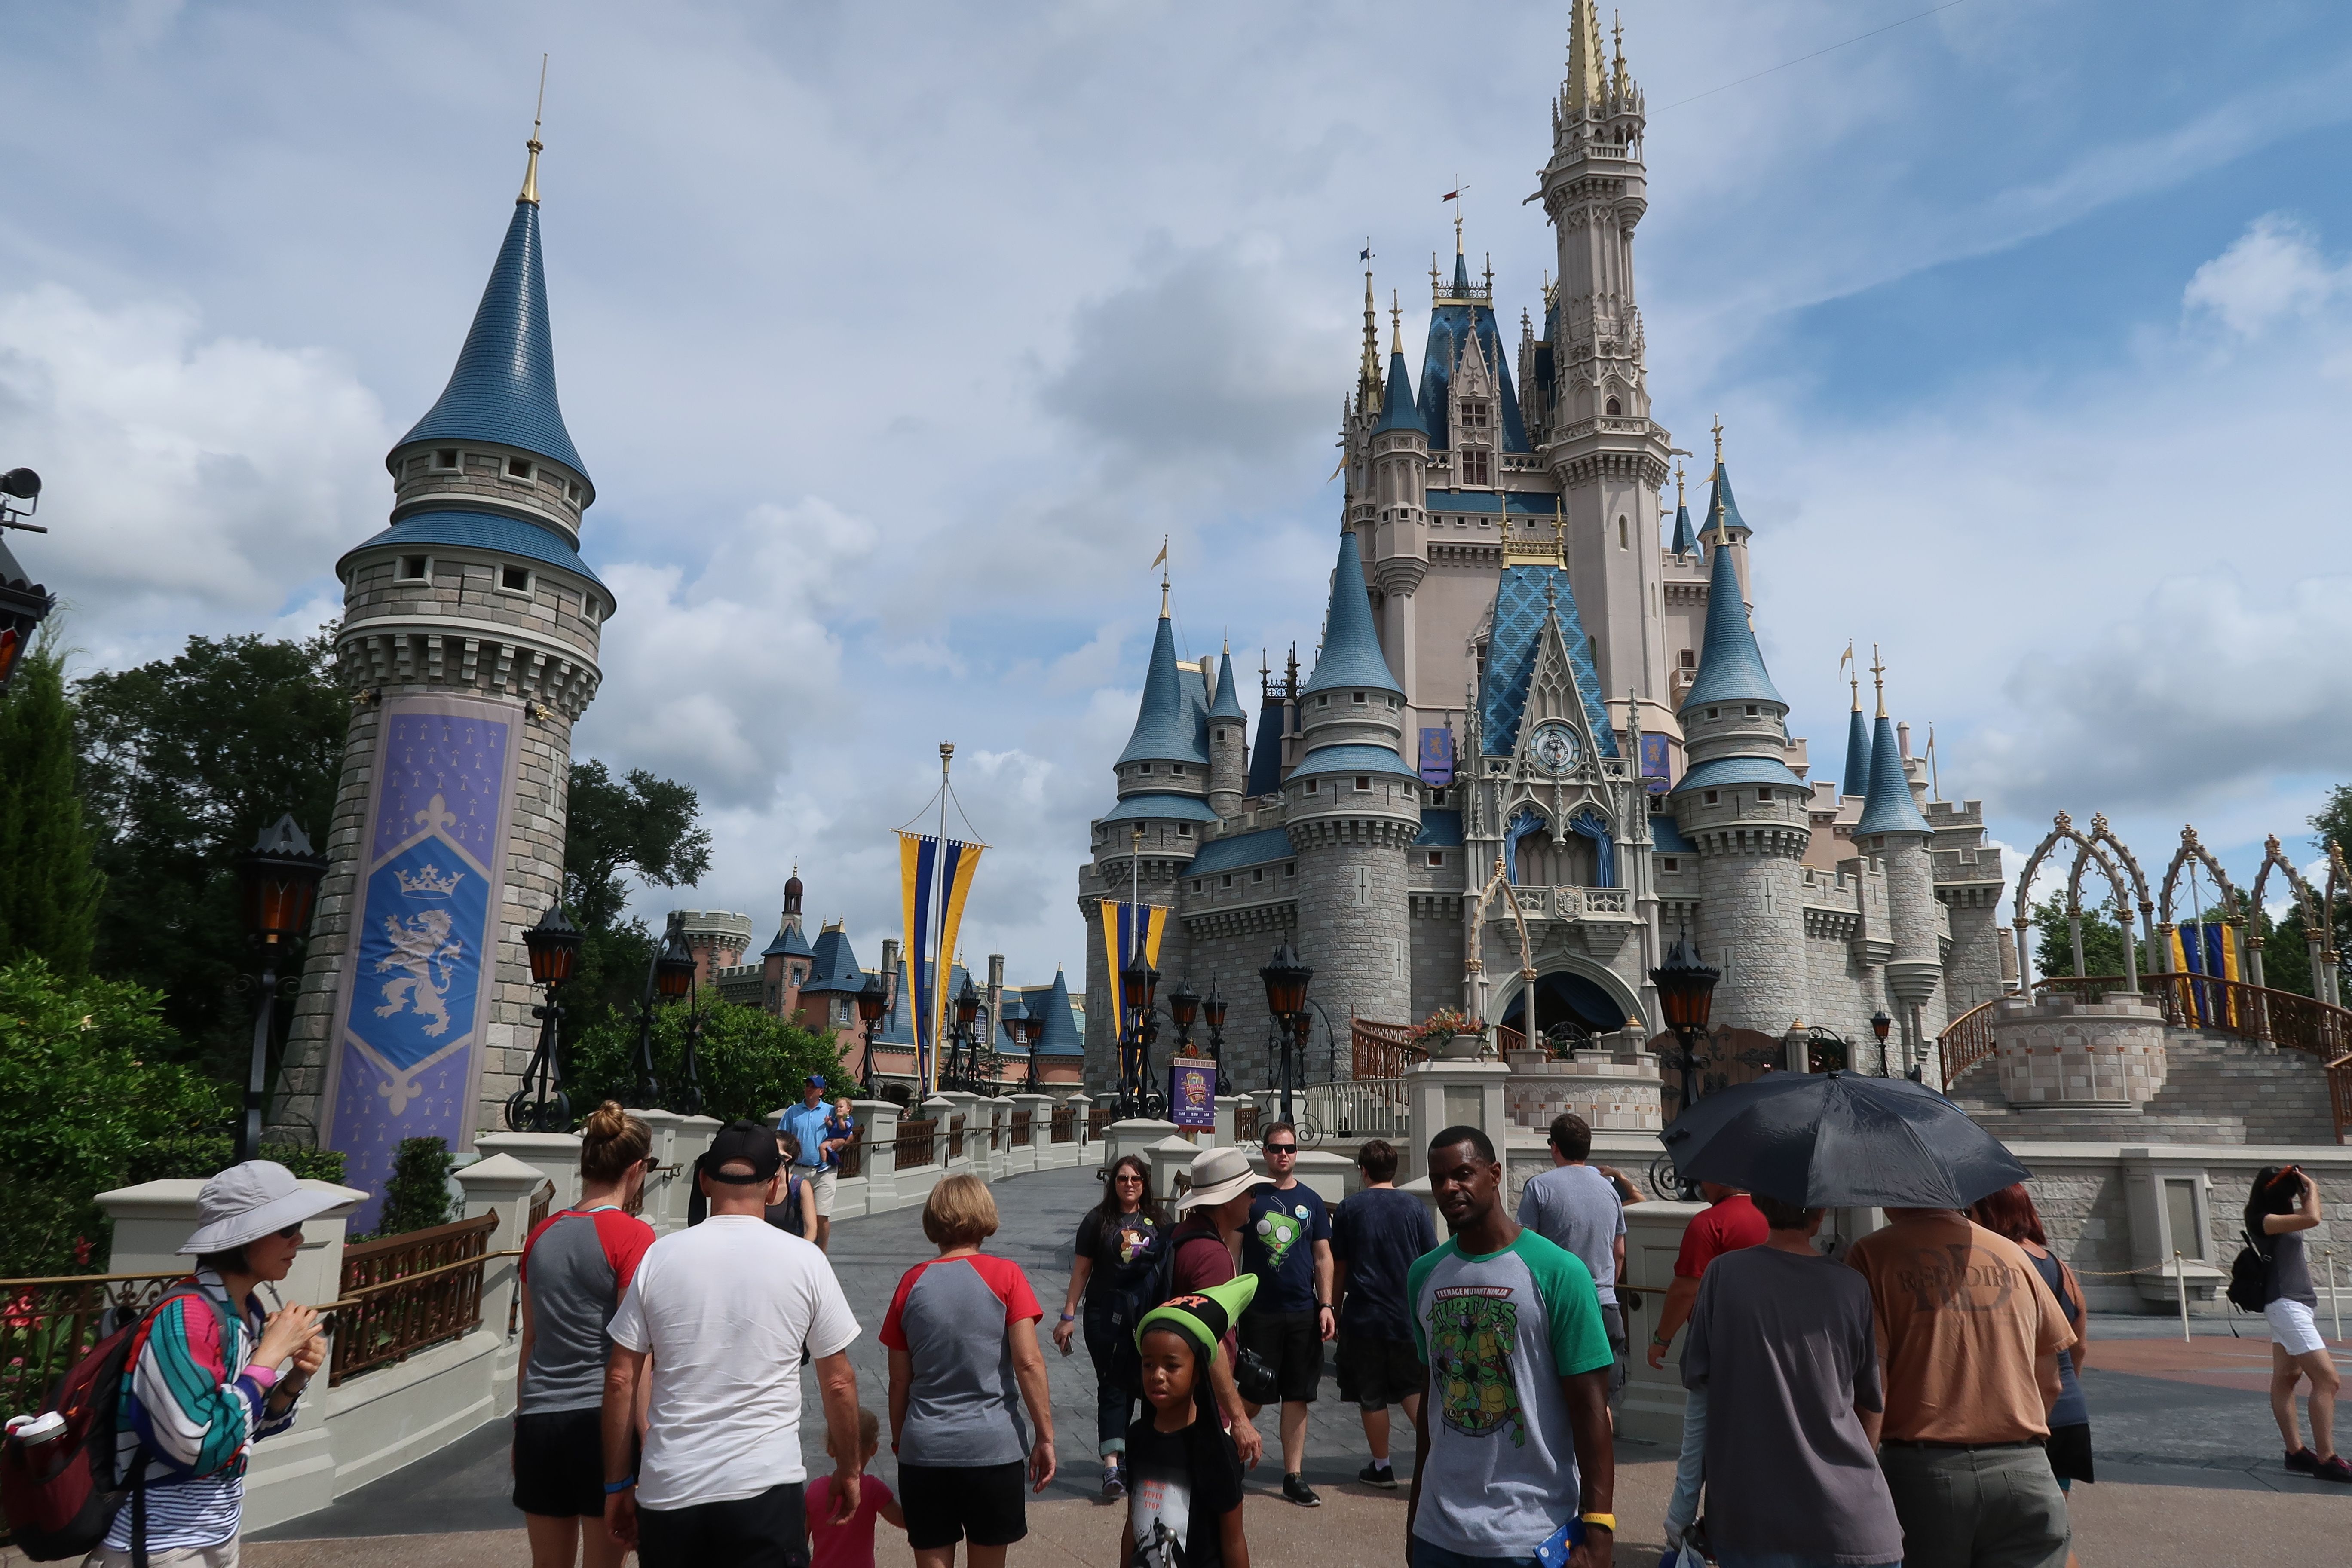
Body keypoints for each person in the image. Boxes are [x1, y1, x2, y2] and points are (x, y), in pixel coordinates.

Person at [603, 1119, 864, 1568]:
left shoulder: (659, 1257)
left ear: (705, 1181)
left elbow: (621, 1377)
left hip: (672, 1489)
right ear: (772, 1186)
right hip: (764, 1487)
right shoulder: (806, 1261)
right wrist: (849, 1469)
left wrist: (617, 1483)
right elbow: (838, 1382)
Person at [91, 1160, 334, 1568]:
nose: (300, 1239)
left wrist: (293, 1379)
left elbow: (243, 1428)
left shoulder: (248, 1311)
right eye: (288, 1228)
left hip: (215, 1532)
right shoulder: (186, 1316)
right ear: (246, 1237)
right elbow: (195, 1444)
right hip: (157, 1544)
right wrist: (268, 1359)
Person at [1407, 1126, 1617, 1568]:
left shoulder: (1560, 1273)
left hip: (1530, 1535)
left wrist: (1599, 1530)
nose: (1450, 1188)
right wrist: (1415, 1518)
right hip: (1438, 1533)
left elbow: (1591, 1409)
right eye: (1438, 1179)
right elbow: (1433, 1399)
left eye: (1463, 1174)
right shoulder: (1424, 1274)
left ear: (1495, 1174)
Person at [1846, 1204, 2078, 1568]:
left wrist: (1858, 1477)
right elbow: (2051, 1382)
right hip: (2025, 1468)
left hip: (1924, 1475)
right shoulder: (2013, 1255)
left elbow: (1874, 1388)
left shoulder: (1871, 1254)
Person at [1679, 1191, 1902, 1568]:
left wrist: (1682, 1505)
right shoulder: (1852, 1286)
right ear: (1821, 1212)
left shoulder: (1724, 1274)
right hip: (1855, 1521)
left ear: (1761, 1206)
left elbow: (1700, 1386)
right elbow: (1868, 1397)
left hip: (1751, 1518)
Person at [879, 1173, 1058, 1567]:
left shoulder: (912, 1282)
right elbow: (1029, 1363)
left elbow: (898, 1381)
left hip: (925, 1449)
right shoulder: (1007, 1276)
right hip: (993, 1450)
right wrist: (1045, 1437)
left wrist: (899, 1440)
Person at [515, 1102, 657, 1568]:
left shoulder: (541, 1234)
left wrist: (521, 1425)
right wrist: (647, 1437)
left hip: (540, 1420)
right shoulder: (633, 1237)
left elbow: (530, 1341)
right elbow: (632, 1359)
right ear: (636, 1169)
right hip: (601, 1424)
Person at [1051, 1154, 1167, 1498]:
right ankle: (1113, 1467)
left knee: (1151, 1387)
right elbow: (1082, 1271)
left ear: (1144, 1183)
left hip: (1149, 1316)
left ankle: (1145, 1457)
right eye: (1122, 1178)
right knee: (1114, 1384)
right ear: (1113, 1183)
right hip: (1107, 1316)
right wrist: (1068, 1315)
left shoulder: (1159, 1220)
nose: (1129, 1184)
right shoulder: (1097, 1221)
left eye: (1135, 1179)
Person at [1121, 1277, 1258, 1568]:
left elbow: (1233, 1539)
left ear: (1198, 1373)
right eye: (1148, 1364)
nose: (1157, 1375)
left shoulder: (1216, 1448)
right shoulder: (1137, 1437)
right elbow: (1132, 1524)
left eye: (1172, 1366)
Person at [1969, 1183, 2097, 1494]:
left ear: (1991, 1214)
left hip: (2025, 1410)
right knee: (2053, 1528)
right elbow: (2078, 1345)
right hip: (2069, 1411)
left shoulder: (2002, 1263)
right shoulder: (2059, 1266)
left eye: (1971, 1212)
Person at [1329, 1138, 1436, 1489]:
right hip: (1407, 1315)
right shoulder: (1416, 1208)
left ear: (1363, 1171)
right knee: (1411, 1390)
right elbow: (1429, 1261)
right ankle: (1439, 1459)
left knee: (1372, 1395)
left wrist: (1334, 1308)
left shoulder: (1349, 1209)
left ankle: (1382, 1466)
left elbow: (1340, 1266)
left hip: (1365, 1315)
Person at [1237, 1121, 1334, 1507]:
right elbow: (1232, 1252)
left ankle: (1293, 1475)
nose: (1284, 1155)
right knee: (1252, 1392)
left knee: (1298, 1394)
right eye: (1276, 1149)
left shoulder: (1311, 1201)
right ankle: (1227, 1456)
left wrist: (1326, 1305)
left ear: (1297, 1153)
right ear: (1265, 1153)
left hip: (1302, 1312)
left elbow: (1323, 1256)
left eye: (1290, 1149)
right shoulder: (1251, 1198)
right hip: (1259, 1311)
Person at [1164, 1146, 1269, 1472]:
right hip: (1202, 1408)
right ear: (1227, 1200)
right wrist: (1236, 1419)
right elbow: (1213, 1342)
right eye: (1249, 1192)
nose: (1254, 1199)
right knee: (1218, 1510)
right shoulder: (1211, 1256)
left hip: (1178, 1397)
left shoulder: (1183, 1234)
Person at [1516, 1114, 1631, 1406]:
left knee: (1556, 1399)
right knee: (1599, 1399)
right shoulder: (1610, 1190)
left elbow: (1524, 1250)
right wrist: (1607, 1287)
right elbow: (1620, 1251)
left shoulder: (1539, 1187)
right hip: (1604, 1304)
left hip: (1557, 1306)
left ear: (1554, 1147)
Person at [2248, 1165, 2349, 1481]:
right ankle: (2326, 1458)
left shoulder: (2278, 1216)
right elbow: (2313, 1218)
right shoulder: (2264, 1220)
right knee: (2328, 1381)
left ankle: (2295, 1453)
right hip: (2286, 1304)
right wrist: (2313, 1190)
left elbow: (2306, 1217)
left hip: (2295, 1304)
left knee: (2287, 1377)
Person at [1645, 1181, 1765, 1371]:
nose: (1700, 1184)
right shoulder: (1773, 1216)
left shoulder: (1709, 1222)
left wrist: (1662, 1340)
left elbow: (1685, 1291)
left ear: (1715, 1180)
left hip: (1721, 1343)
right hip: (1768, 1338)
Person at [807, 1409, 905, 1568]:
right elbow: (903, 1520)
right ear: (874, 1449)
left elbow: (800, 1539)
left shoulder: (814, 1489)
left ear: (831, 1449)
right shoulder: (873, 1489)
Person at [779, 1075, 840, 1251]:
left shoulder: (831, 1111)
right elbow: (782, 1136)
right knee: (795, 1213)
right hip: (798, 1169)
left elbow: (847, 1133)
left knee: (821, 1215)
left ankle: (822, 1254)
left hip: (825, 1171)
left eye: (813, 1087)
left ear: (821, 1091)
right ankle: (798, 1251)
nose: (809, 1089)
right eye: (807, 1086)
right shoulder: (793, 1111)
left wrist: (841, 1142)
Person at [768, 1131, 821, 1240]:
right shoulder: (757, 1183)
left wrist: (803, 1253)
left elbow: (811, 1229)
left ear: (787, 1158)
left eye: (775, 1153)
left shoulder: (800, 1186)